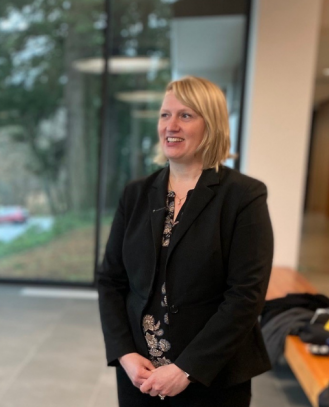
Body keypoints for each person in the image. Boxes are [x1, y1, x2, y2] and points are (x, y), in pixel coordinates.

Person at [96, 76, 274, 406]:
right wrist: (123, 353)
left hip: (211, 377)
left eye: (185, 115)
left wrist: (186, 369)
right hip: (140, 375)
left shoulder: (244, 196)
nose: (170, 125)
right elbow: (110, 280)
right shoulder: (136, 193)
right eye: (165, 115)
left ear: (212, 124)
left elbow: (246, 296)